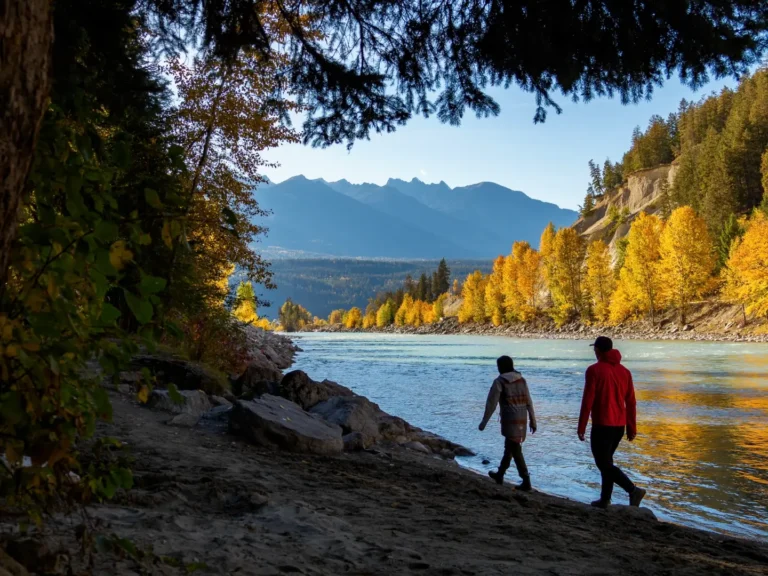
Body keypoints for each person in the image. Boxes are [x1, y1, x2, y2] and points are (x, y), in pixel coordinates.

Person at [578, 336, 646, 508]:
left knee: (603, 463)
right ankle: (605, 499)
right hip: (619, 426)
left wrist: (582, 426)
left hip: (602, 423)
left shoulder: (594, 370)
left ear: (598, 351)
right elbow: (631, 402)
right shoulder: (625, 372)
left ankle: (633, 490)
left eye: (595, 349)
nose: (594, 352)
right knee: (607, 462)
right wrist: (631, 427)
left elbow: (588, 401)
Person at [479, 355, 537, 491]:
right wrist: (533, 420)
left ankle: (526, 480)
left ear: (501, 367)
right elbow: (529, 401)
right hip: (522, 419)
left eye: (498, 366)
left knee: (515, 450)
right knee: (510, 447)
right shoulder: (522, 380)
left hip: (510, 420)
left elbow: (491, 404)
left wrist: (484, 422)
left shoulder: (500, 381)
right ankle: (500, 474)